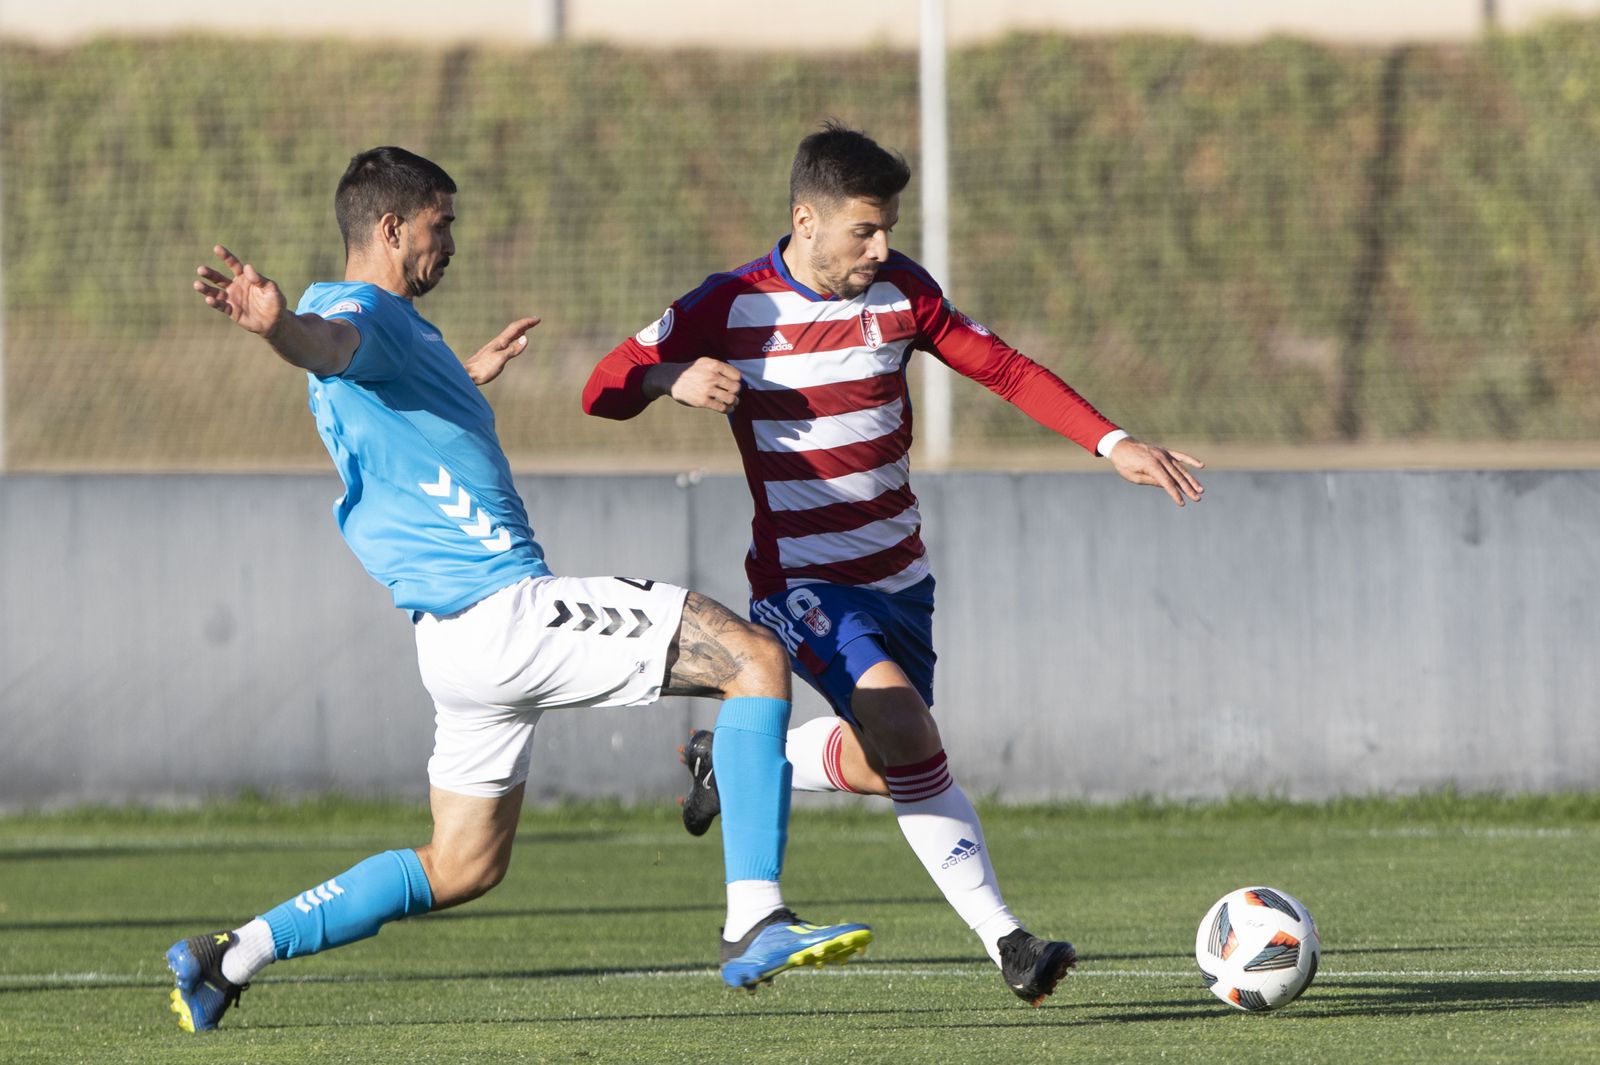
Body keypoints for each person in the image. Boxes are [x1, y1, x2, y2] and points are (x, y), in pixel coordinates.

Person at [166, 146, 872, 1034]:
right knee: (754, 656)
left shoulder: (394, 331)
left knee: (461, 865)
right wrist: (277, 330)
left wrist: (460, 379)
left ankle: (228, 957)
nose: (451, 241)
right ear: (391, 228)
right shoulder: (356, 312)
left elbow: (379, 402)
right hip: (508, 613)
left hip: (453, 647)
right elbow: (330, 347)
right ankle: (755, 919)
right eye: (440, 223)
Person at [582, 122, 1204, 1007]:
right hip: (802, 582)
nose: (882, 248)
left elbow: (1004, 367)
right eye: (863, 231)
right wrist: (664, 379)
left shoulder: (903, 291)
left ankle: (735, 761)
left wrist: (1112, 442)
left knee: (891, 761)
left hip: (901, 577)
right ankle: (1011, 943)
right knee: (912, 733)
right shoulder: (730, 304)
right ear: (806, 218)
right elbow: (600, 386)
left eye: (889, 229)